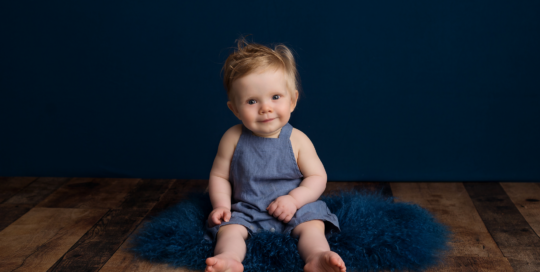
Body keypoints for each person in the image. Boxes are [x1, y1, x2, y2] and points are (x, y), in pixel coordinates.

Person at [204, 36, 347, 272]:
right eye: (252, 101)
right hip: (248, 208)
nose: (266, 108)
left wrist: (294, 199)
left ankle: (317, 256)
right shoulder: (232, 137)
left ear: (293, 100)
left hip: (295, 208)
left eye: (276, 97)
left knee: (312, 225)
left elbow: (317, 177)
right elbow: (219, 176)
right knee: (229, 230)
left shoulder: (297, 140)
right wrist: (221, 206)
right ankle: (229, 258)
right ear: (235, 109)